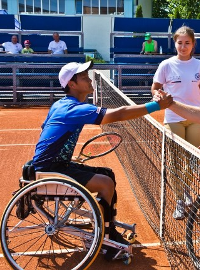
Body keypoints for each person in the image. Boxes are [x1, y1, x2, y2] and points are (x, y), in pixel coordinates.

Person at [31, 61, 172, 259]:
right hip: (51, 169)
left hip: (50, 165)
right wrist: (156, 106)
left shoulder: (60, 105)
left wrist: (63, 155)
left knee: (108, 174)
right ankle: (106, 239)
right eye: (84, 77)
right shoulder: (73, 109)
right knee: (105, 183)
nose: (90, 79)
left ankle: (108, 224)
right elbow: (120, 114)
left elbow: (43, 127)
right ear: (71, 84)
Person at [151, 25, 200, 220]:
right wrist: (157, 95)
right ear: (175, 44)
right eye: (180, 43)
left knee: (192, 161)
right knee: (175, 163)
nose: (183, 46)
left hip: (196, 118)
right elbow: (155, 88)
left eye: (187, 43)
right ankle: (180, 199)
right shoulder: (166, 65)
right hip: (173, 118)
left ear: (193, 44)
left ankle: (185, 191)